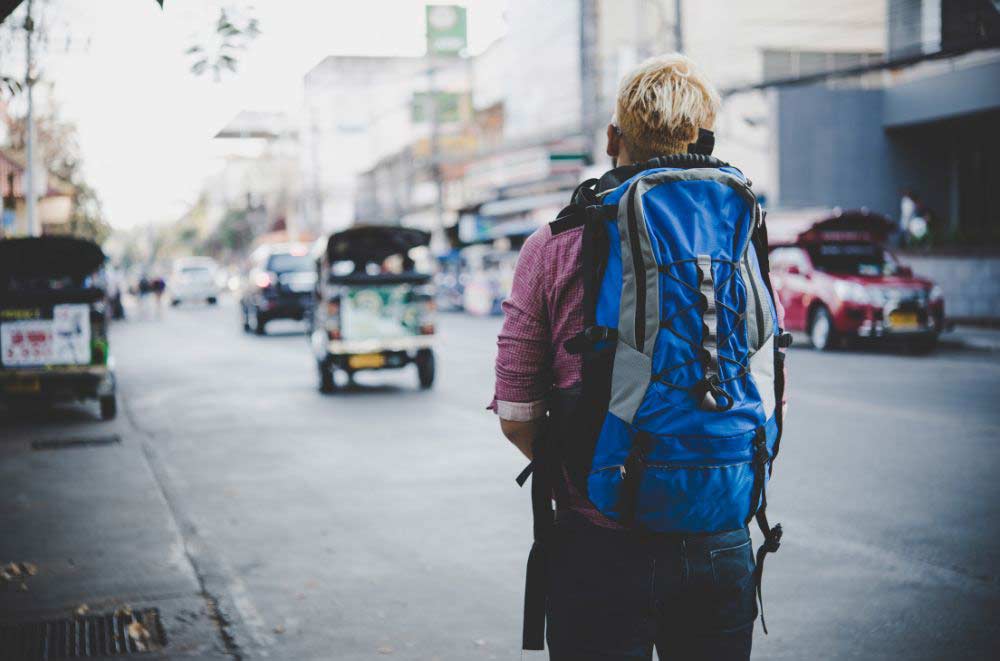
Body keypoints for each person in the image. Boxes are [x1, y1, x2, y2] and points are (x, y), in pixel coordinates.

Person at [490, 53, 786, 660]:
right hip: (723, 534)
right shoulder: (741, 231)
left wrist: (596, 468)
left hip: (599, 545)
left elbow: (518, 413)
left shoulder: (555, 245)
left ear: (612, 139)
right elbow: (770, 385)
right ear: (706, 140)